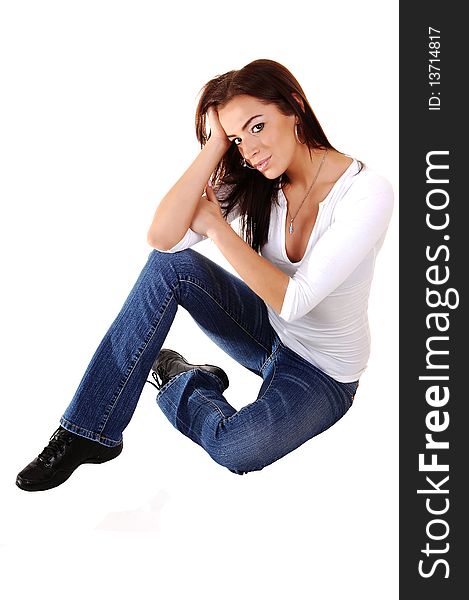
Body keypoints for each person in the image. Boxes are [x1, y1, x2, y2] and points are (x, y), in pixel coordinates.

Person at [16, 58, 394, 491]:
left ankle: (181, 378)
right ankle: (89, 430)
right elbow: (163, 239)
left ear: (294, 107)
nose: (249, 150)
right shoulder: (258, 178)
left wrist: (216, 225)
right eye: (237, 138)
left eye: (257, 126)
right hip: (267, 333)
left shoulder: (366, 192)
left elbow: (295, 299)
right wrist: (214, 145)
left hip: (321, 372)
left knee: (237, 449)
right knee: (169, 268)